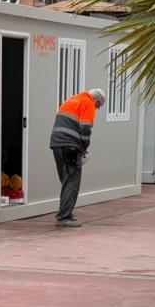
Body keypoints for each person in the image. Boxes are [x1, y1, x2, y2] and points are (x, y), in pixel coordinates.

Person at [50, 88, 104, 227]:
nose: (96, 109)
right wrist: (84, 146)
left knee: (66, 179)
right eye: (98, 106)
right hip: (70, 147)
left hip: (57, 144)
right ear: (97, 100)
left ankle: (65, 212)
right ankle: (64, 217)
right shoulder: (88, 102)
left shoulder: (72, 100)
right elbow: (85, 128)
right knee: (72, 181)